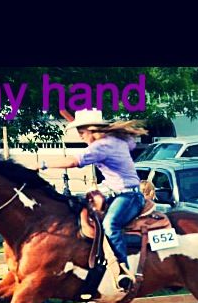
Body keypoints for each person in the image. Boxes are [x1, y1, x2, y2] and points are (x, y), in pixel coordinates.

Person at [40, 109, 151, 291]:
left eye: (82, 132)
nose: (80, 136)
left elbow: (73, 162)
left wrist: (42, 164)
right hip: (117, 192)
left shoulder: (103, 146)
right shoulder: (115, 141)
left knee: (110, 225)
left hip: (128, 196)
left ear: (92, 130)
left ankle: (123, 271)